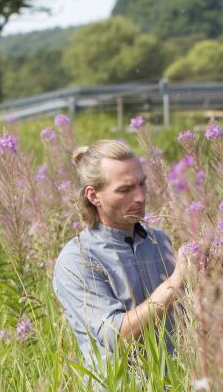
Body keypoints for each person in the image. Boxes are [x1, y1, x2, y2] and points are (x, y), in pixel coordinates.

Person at [53, 139, 188, 366]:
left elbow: (184, 320)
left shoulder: (159, 241)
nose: (140, 197)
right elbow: (116, 337)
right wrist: (176, 282)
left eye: (142, 184)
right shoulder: (77, 260)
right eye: (125, 189)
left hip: (175, 391)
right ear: (93, 196)